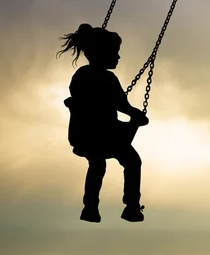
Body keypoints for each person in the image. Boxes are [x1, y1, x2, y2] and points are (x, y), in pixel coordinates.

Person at [57, 23, 149, 223]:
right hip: (104, 135)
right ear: (99, 53)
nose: (118, 57)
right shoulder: (106, 78)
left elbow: (84, 98)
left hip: (85, 134)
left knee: (97, 164)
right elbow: (122, 105)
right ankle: (131, 206)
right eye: (114, 53)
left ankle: (90, 207)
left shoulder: (81, 75)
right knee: (131, 162)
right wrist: (138, 116)